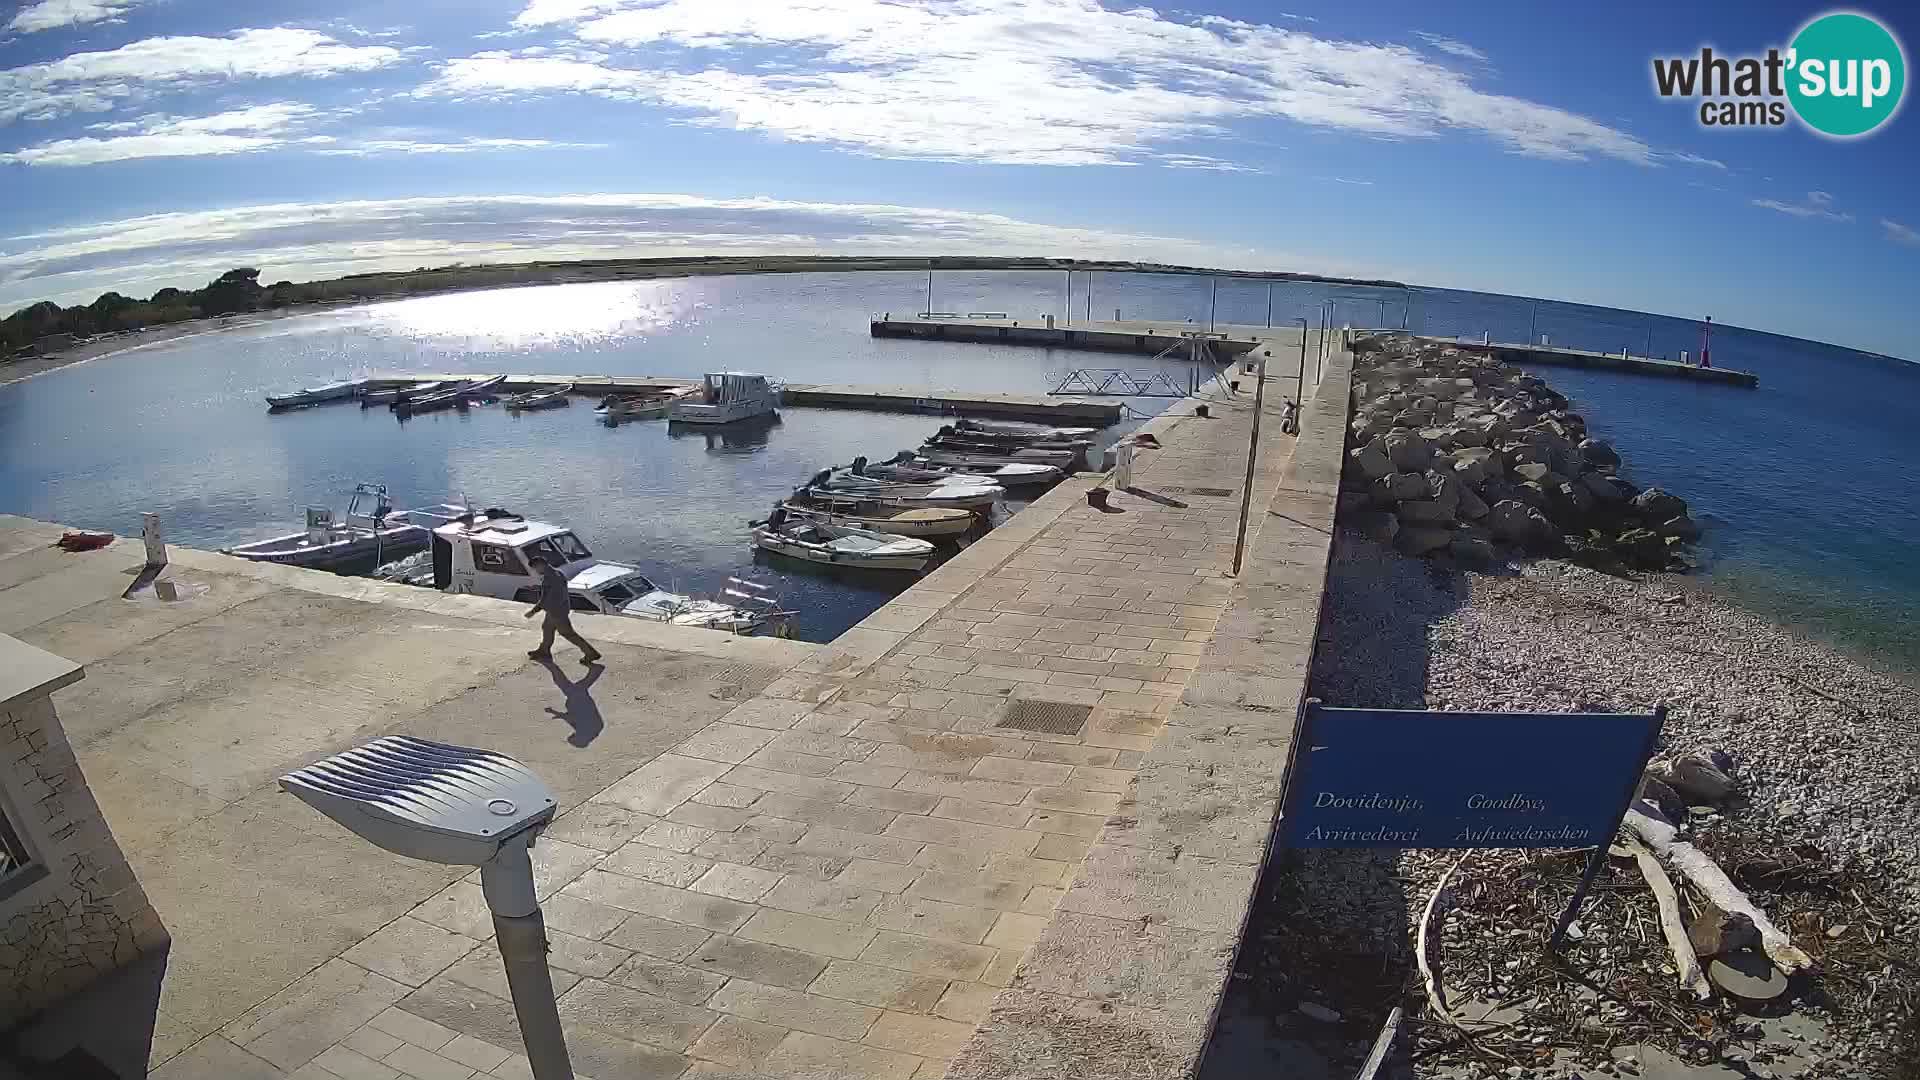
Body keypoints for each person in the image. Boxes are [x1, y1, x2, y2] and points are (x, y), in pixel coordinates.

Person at [524, 554, 601, 663]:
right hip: (559, 609)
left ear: (541, 565)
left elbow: (545, 598)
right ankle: (544, 650)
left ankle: (590, 653)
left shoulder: (551, 578)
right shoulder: (557, 573)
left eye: (535, 568)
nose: (535, 571)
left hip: (557, 611)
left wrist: (533, 611)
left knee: (568, 633)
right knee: (547, 627)